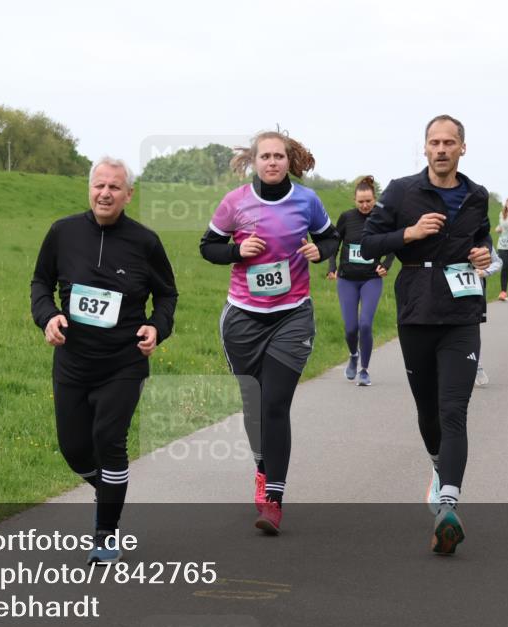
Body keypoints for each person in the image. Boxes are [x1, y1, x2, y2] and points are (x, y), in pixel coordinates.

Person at [31, 157, 178, 565]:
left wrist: (156, 327)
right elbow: (41, 283)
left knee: (109, 441)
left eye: (115, 187)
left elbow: (167, 295)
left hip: (123, 362)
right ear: (89, 189)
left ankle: (106, 533)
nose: (105, 193)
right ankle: (109, 490)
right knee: (74, 449)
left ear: (128, 195)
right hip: (73, 361)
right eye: (99, 185)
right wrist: (48, 316)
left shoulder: (145, 242)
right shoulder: (63, 233)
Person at [360, 114, 492, 555]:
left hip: (461, 314)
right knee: (429, 412)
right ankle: (439, 469)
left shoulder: (477, 195)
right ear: (424, 148)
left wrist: (482, 254)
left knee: (454, 409)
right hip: (416, 311)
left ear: (462, 148)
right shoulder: (402, 190)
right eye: (434, 142)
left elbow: (484, 239)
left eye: (449, 142)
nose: (441, 149)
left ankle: (448, 507)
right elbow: (368, 243)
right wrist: (409, 233)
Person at [200, 130, 337, 535]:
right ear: (254, 161)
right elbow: (208, 247)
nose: (272, 162)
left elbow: (330, 237)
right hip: (243, 319)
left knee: (275, 404)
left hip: (291, 317)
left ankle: (273, 499)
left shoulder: (307, 201)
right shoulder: (236, 202)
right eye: (266, 157)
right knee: (254, 405)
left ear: (288, 161)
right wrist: (235, 252)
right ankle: (263, 466)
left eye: (279, 156)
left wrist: (320, 251)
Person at [326, 175, 394, 386]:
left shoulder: (381, 219)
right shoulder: (347, 217)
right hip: (347, 280)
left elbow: (392, 244)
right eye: (361, 201)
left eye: (369, 201)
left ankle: (364, 369)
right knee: (350, 328)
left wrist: (386, 264)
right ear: (354, 201)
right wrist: (332, 267)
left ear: (375, 199)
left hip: (370, 279)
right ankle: (353, 355)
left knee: (365, 324)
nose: (365, 205)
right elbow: (333, 244)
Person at [474, 246, 503, 387]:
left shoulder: (479, 238)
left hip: (472, 292)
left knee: (471, 329)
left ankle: (476, 366)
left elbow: (498, 262)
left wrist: (485, 271)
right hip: (441, 293)